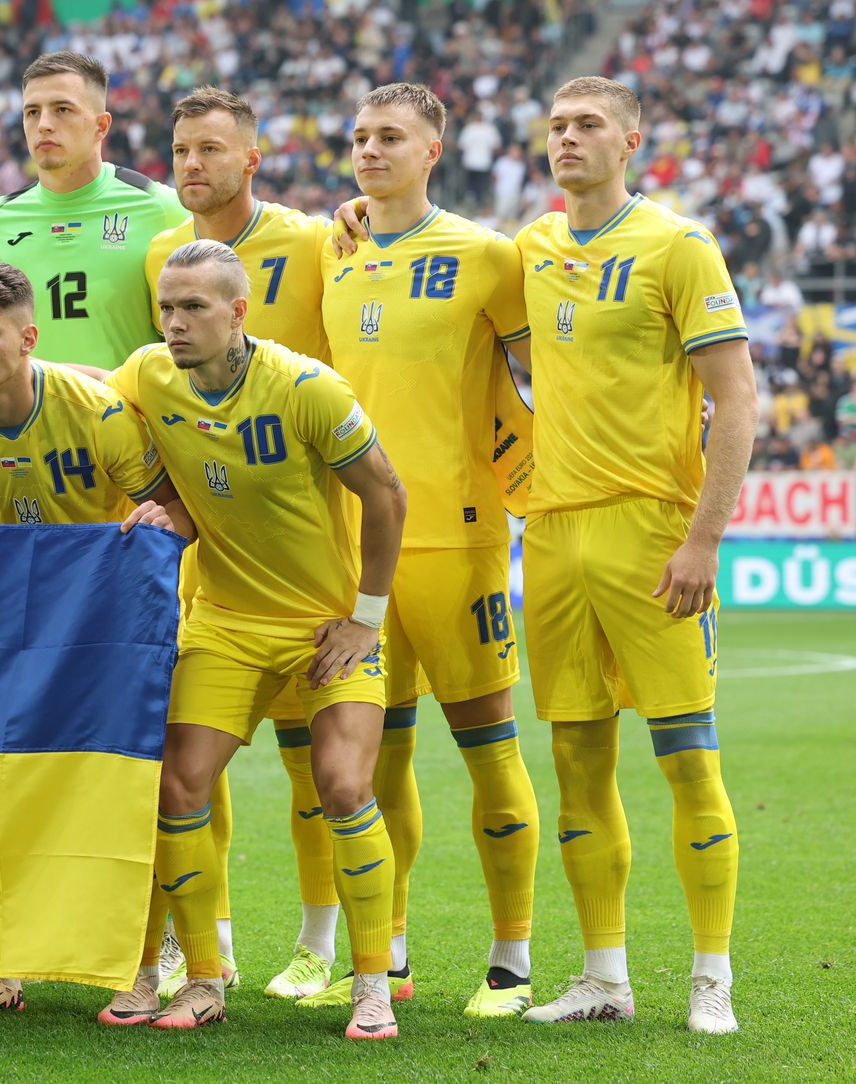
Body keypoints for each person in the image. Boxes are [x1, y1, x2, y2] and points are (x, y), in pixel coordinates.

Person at [108, 240, 407, 1038]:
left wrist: (366, 620)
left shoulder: (307, 386)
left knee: (343, 786)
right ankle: (203, 976)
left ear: (238, 312)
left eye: (194, 308)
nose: (175, 323)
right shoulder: (145, 377)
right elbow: (90, 422)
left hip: (326, 628)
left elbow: (385, 495)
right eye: (167, 308)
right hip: (228, 625)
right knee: (175, 787)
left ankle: (371, 981)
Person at [512, 77, 756, 1035]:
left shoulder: (678, 245)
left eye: (587, 126)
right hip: (553, 533)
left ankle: (711, 977)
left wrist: (705, 535)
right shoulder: (530, 246)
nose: (567, 138)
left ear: (632, 143)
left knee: (688, 757)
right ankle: (603, 978)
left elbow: (735, 398)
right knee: (576, 757)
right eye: (557, 124)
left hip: (653, 532)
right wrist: (362, 215)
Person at [311, 82, 541, 1019]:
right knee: (379, 759)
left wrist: (531, 479)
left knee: (489, 746)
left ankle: (512, 960)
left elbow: (546, 379)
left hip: (460, 538)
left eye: (391, 137)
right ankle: (386, 955)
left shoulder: (488, 255)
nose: (370, 150)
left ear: (433, 150)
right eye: (360, 136)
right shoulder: (337, 249)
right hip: (361, 550)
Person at [0, 259, 196, 1018]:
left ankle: (157, 958)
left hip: (113, 628)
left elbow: (172, 516)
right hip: (19, 627)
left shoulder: (97, 413)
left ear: (28, 339)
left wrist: (152, 527)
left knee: (133, 791)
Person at [143, 85, 333, 1002]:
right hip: (210, 538)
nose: (192, 165)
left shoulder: (315, 240)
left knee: (321, 761)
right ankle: (200, 942)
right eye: (181, 149)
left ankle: (328, 944)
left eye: (211, 149)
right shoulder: (160, 255)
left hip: (310, 536)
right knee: (191, 759)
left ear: (250, 158)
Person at [0, 51, 188, 368]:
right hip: (29, 417)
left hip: (125, 415)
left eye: (62, 109)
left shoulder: (162, 209)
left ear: (101, 126)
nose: (44, 124)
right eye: (32, 112)